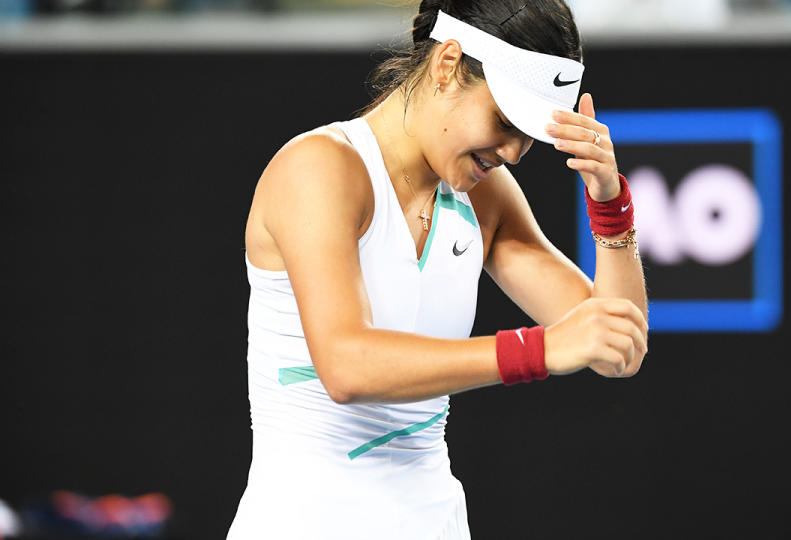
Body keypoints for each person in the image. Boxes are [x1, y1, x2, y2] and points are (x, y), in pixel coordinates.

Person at [227, 1, 648, 538]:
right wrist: (536, 350)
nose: (515, 153)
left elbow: (620, 344)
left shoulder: (486, 195)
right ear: (447, 64)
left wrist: (609, 206)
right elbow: (346, 365)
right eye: (504, 121)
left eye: (530, 134)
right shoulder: (319, 168)